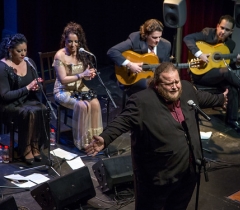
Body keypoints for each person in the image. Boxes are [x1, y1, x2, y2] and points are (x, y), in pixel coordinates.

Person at [85, 62, 228, 210]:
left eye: (176, 81)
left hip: (188, 171)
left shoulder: (186, 90)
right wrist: (105, 138)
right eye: (169, 84)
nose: (175, 87)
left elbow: (201, 98)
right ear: (157, 85)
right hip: (158, 176)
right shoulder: (142, 101)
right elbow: (123, 120)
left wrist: (220, 99)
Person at [184, 14, 240, 131]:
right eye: (221, 28)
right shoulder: (207, 33)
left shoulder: (230, 45)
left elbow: (226, 64)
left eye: (227, 30)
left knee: (233, 87)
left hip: (217, 76)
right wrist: (199, 54)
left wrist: (237, 63)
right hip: (200, 74)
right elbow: (187, 38)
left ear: (231, 31)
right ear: (217, 26)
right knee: (226, 72)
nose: (223, 31)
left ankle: (232, 120)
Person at [0, 33, 49, 165]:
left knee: (42, 108)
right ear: (10, 50)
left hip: (27, 99)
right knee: (30, 113)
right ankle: (25, 148)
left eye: (25, 50)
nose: (23, 54)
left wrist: (36, 86)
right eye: (19, 51)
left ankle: (35, 145)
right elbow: (5, 95)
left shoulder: (29, 62)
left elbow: (34, 84)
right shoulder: (3, 67)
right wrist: (27, 88)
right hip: (10, 105)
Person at [53, 22, 103, 150]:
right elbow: (63, 79)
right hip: (63, 90)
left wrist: (88, 75)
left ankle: (95, 139)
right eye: (70, 41)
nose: (73, 45)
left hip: (79, 88)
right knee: (82, 105)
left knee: (95, 103)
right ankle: (82, 142)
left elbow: (84, 75)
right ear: (65, 40)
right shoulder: (60, 56)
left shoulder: (82, 53)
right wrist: (82, 75)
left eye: (76, 42)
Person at [107, 19, 172, 96]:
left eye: (160, 37)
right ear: (146, 35)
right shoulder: (136, 39)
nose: (158, 40)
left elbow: (165, 67)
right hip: (132, 79)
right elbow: (112, 51)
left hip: (155, 78)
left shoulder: (166, 45)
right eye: (154, 37)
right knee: (148, 85)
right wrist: (130, 64)